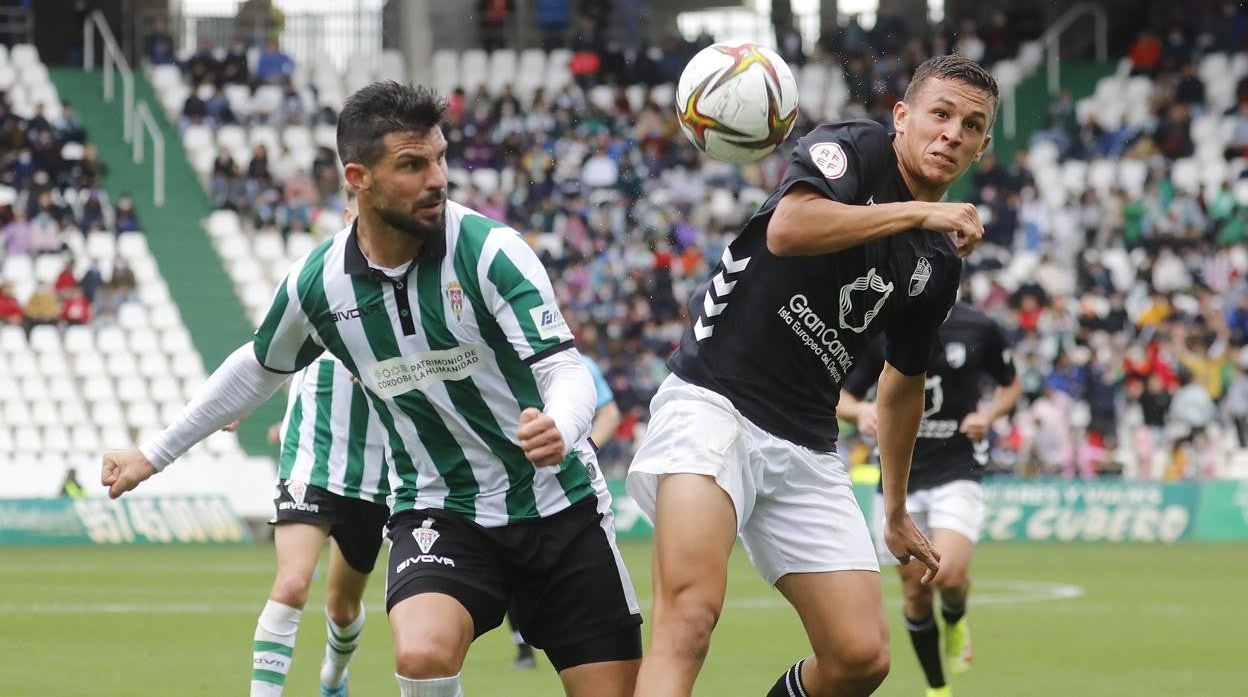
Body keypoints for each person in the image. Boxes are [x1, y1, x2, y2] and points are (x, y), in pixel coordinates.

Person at [102, 81, 641, 697]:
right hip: (443, 508)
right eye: (412, 165)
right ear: (358, 177)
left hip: (558, 505)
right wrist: (153, 455)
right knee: (420, 652)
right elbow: (258, 366)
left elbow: (563, 369)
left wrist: (563, 425)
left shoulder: (493, 252)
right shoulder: (319, 284)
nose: (436, 179)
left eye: (439, 158)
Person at [625, 54, 996, 697]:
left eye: (971, 125)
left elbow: (902, 382)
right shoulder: (851, 147)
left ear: (982, 147)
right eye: (940, 114)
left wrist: (897, 506)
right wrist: (918, 213)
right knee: (687, 619)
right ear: (902, 117)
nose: (952, 134)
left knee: (859, 658)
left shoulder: (937, 262)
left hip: (805, 441)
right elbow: (790, 230)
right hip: (714, 402)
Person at [236, 189, 393, 697]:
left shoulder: (400, 294)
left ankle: (333, 678)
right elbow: (270, 356)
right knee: (291, 584)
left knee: (343, 609)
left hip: (372, 478)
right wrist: (239, 404)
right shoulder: (317, 284)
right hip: (309, 463)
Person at [839, 298, 1022, 697]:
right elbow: (842, 395)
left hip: (957, 467)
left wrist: (987, 417)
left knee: (949, 574)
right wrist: (860, 413)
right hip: (900, 477)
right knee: (915, 591)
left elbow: (1011, 385)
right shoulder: (882, 324)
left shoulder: (979, 327)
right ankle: (937, 688)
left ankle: (955, 617)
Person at [508, 350, 621, 670]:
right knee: (511, 575)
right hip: (510, 493)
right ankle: (523, 647)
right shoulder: (494, 358)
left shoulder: (577, 364)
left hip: (572, 494)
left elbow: (609, 412)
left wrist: (587, 448)